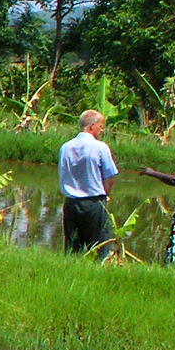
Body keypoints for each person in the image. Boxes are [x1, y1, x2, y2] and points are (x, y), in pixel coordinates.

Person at [59, 109, 119, 257]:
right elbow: (110, 177)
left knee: (73, 247)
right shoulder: (100, 147)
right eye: (100, 126)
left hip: (71, 204)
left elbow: (63, 173)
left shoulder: (65, 147)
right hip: (93, 203)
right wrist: (105, 195)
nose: (102, 129)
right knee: (99, 248)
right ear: (92, 126)